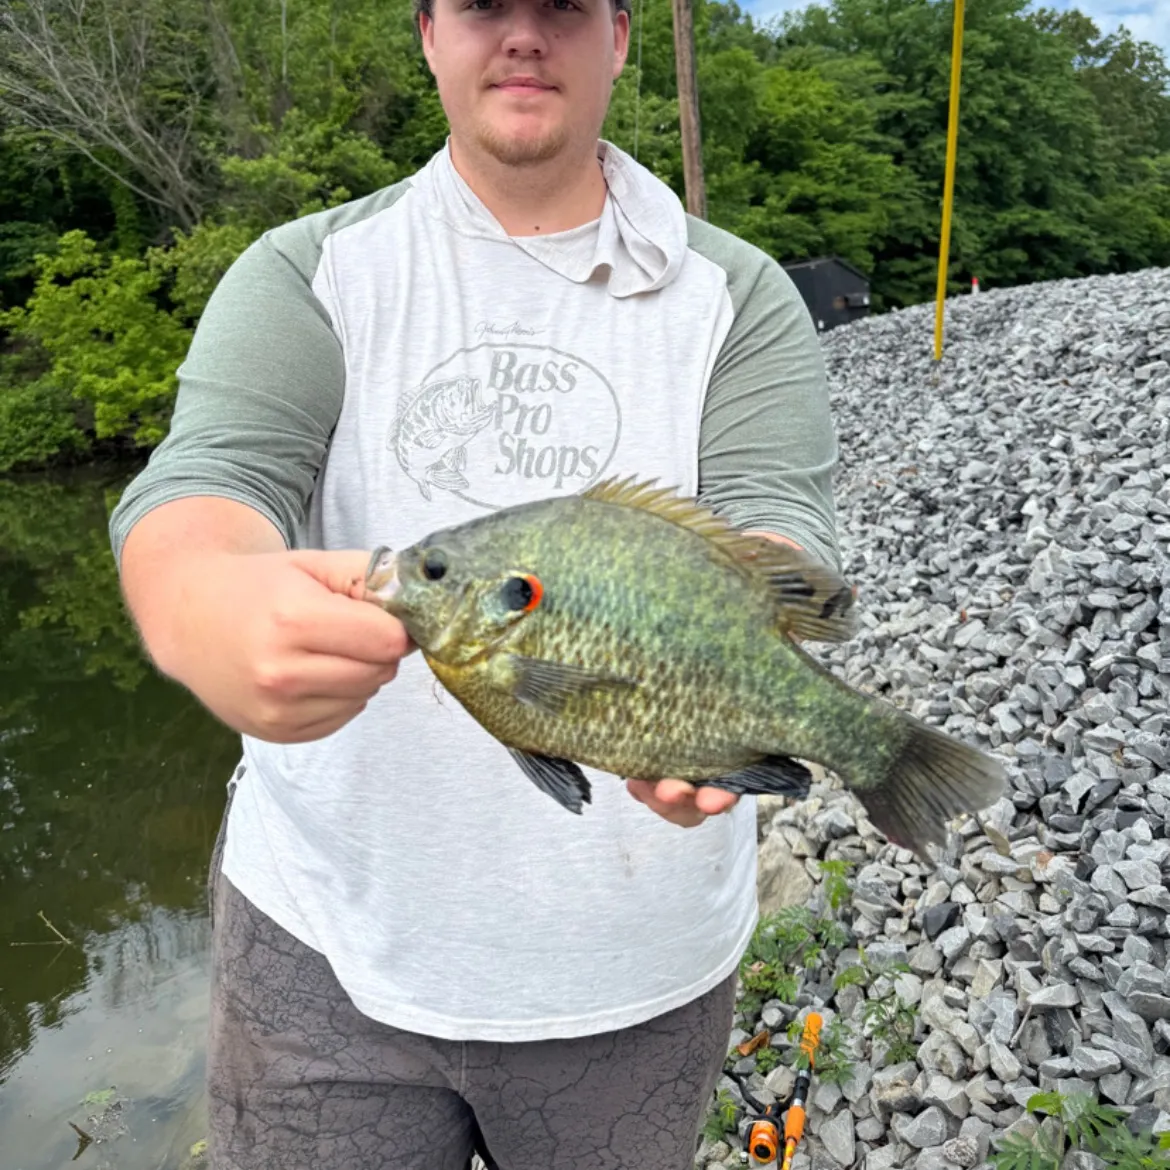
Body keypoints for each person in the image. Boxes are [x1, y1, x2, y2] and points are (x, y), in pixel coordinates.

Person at [110, 0, 840, 1164]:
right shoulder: (311, 271)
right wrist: (203, 601)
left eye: (561, 6)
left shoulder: (739, 298)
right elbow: (208, 478)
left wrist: (706, 655)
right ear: (428, 33)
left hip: (634, 976)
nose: (522, 35)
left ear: (620, 36)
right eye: (485, 5)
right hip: (322, 950)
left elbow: (782, 523)